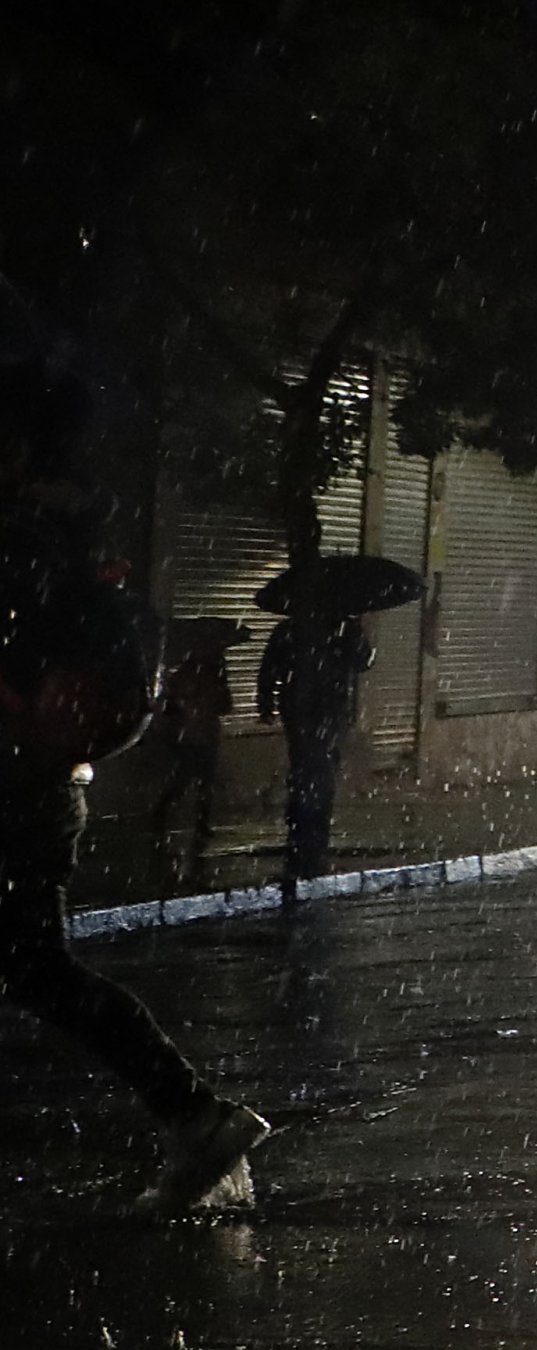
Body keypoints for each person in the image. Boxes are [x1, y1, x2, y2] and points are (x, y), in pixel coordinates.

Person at [0, 358, 268, 1213]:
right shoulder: (70, 542)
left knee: (34, 967)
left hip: (13, 782)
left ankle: (194, 1113)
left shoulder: (21, 544)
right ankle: (192, 1114)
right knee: (34, 966)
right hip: (38, 783)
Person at [258, 609, 372, 881]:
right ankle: (310, 838)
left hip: (306, 711)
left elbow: (269, 668)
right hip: (323, 712)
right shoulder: (339, 628)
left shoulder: (292, 629)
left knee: (307, 770)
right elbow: (364, 661)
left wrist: (266, 701)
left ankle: (302, 835)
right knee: (319, 774)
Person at [150, 635, 235, 880]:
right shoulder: (193, 676)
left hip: (195, 736)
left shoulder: (196, 676)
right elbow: (172, 705)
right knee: (191, 780)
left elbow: (224, 705)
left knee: (197, 781)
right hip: (194, 736)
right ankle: (177, 819)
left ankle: (184, 820)